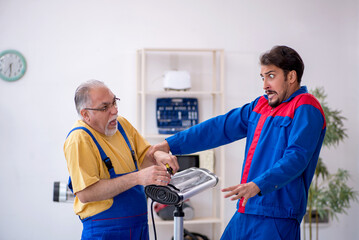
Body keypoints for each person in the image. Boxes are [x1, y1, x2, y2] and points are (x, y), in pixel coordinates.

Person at [151, 46, 326, 239]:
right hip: (245, 210)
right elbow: (218, 128)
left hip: (277, 216)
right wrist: (169, 144)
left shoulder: (306, 107)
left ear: (291, 77)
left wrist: (258, 185)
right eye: (263, 77)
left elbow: (296, 158)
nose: (265, 85)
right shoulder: (260, 106)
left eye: (271, 76)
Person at [64, 80, 179, 240]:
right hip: (105, 232)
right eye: (105, 107)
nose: (114, 111)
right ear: (85, 114)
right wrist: (138, 178)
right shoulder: (79, 139)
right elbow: (85, 193)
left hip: (139, 226)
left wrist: (158, 155)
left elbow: (144, 157)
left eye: (114, 102)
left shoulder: (121, 125)